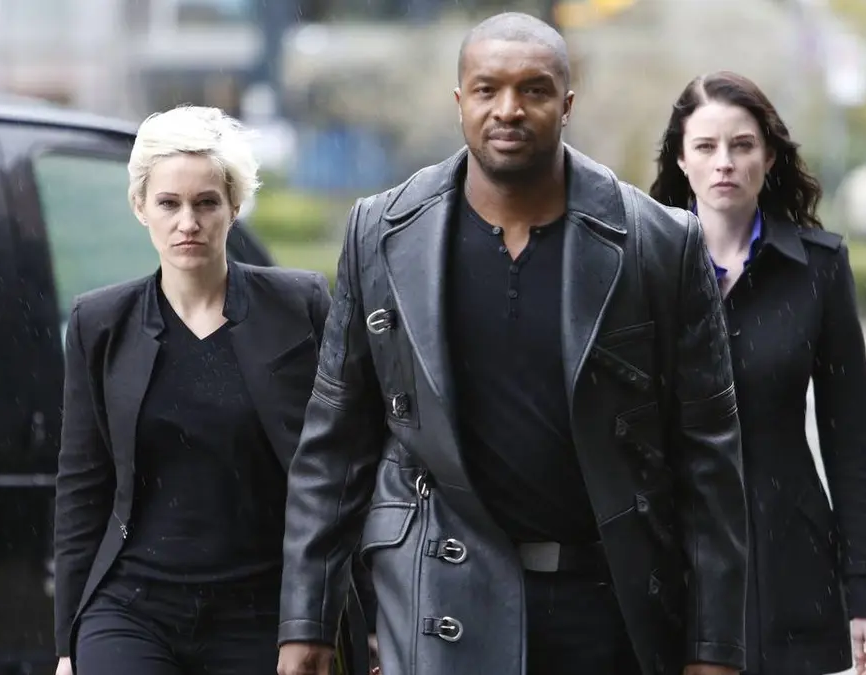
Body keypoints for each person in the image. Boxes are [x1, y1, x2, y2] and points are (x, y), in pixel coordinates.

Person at [276, 12, 749, 675]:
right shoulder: (382, 233)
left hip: (608, 604)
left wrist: (715, 647)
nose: (509, 109)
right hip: (439, 598)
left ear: (567, 104)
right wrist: (307, 619)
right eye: (487, 89)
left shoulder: (659, 243)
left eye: (533, 90)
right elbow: (334, 445)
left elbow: (709, 457)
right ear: (459, 101)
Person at [53, 105, 331, 675]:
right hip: (131, 607)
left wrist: (347, 618)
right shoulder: (99, 323)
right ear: (140, 207)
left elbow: (341, 469)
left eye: (206, 203)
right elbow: (83, 486)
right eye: (168, 203)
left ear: (234, 206)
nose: (188, 222)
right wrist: (66, 647)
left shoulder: (298, 307)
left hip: (262, 608)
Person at [649, 71, 866, 675]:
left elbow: (852, 440)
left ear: (768, 156)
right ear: (681, 159)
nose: (724, 162)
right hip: (668, 560)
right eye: (706, 146)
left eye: (742, 145)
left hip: (788, 560)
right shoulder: (640, 266)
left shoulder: (817, 268)